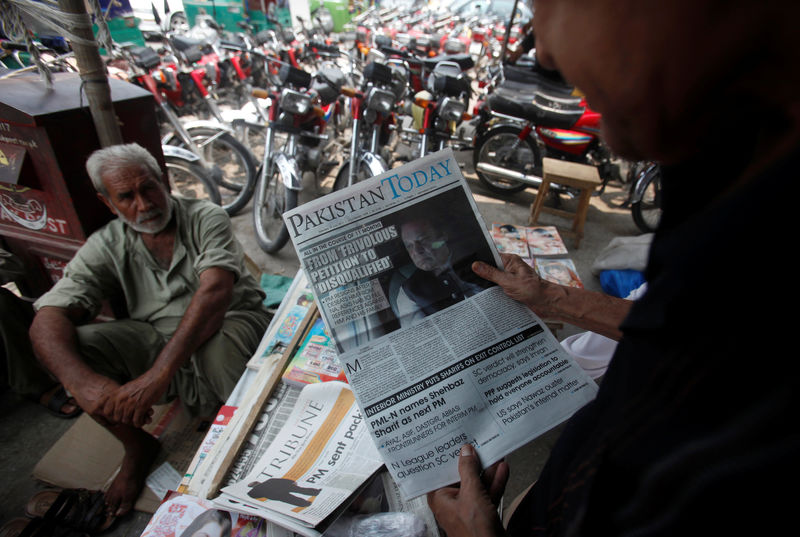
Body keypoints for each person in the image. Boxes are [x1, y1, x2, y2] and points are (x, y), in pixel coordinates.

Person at [427, 0, 800, 535]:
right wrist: (550, 298)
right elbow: (671, 330)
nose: (546, 49)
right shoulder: (729, 190)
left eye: (549, 4)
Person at [29, 143, 271, 518]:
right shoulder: (107, 244)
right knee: (73, 347)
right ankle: (138, 446)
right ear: (109, 203)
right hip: (158, 339)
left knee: (218, 347)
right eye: (127, 196)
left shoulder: (204, 216)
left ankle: (256, 446)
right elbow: (47, 317)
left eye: (149, 188)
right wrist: (84, 384)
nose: (144, 205)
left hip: (232, 322)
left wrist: (157, 376)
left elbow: (215, 293)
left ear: (164, 181)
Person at [392, 218, 488, 327]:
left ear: (442, 236)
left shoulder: (479, 256)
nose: (417, 251)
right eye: (409, 246)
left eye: (423, 240)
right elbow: (418, 335)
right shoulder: (407, 291)